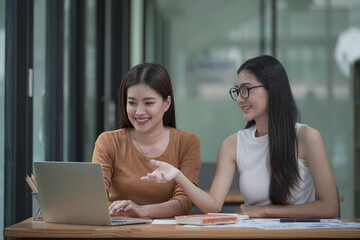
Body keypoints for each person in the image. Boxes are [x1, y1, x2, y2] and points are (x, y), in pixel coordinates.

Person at [142, 55, 339, 219]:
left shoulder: (307, 137)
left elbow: (330, 208)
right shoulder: (233, 144)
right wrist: (177, 175)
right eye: (237, 91)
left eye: (245, 89)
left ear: (273, 89)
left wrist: (263, 211)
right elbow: (213, 206)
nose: (238, 99)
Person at [92, 63, 201, 218]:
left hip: (164, 233)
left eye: (149, 103)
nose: (139, 112)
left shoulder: (187, 142)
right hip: (118, 231)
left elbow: (184, 202)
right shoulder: (107, 141)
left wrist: (144, 211)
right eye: (132, 103)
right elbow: (96, 197)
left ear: (166, 103)